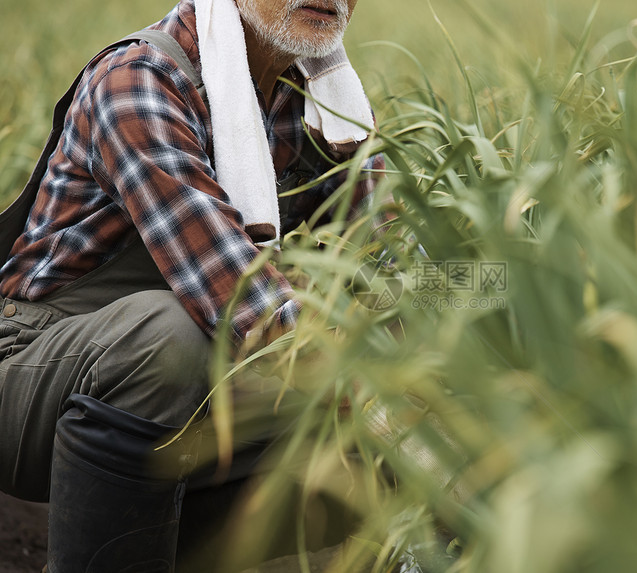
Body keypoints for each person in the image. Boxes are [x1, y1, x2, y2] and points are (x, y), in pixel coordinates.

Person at [0, 0, 382, 570]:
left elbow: (385, 257)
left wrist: (503, 298)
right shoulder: (138, 82)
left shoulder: (326, 103)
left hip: (197, 370)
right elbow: (239, 298)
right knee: (173, 338)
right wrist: (384, 400)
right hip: (34, 368)